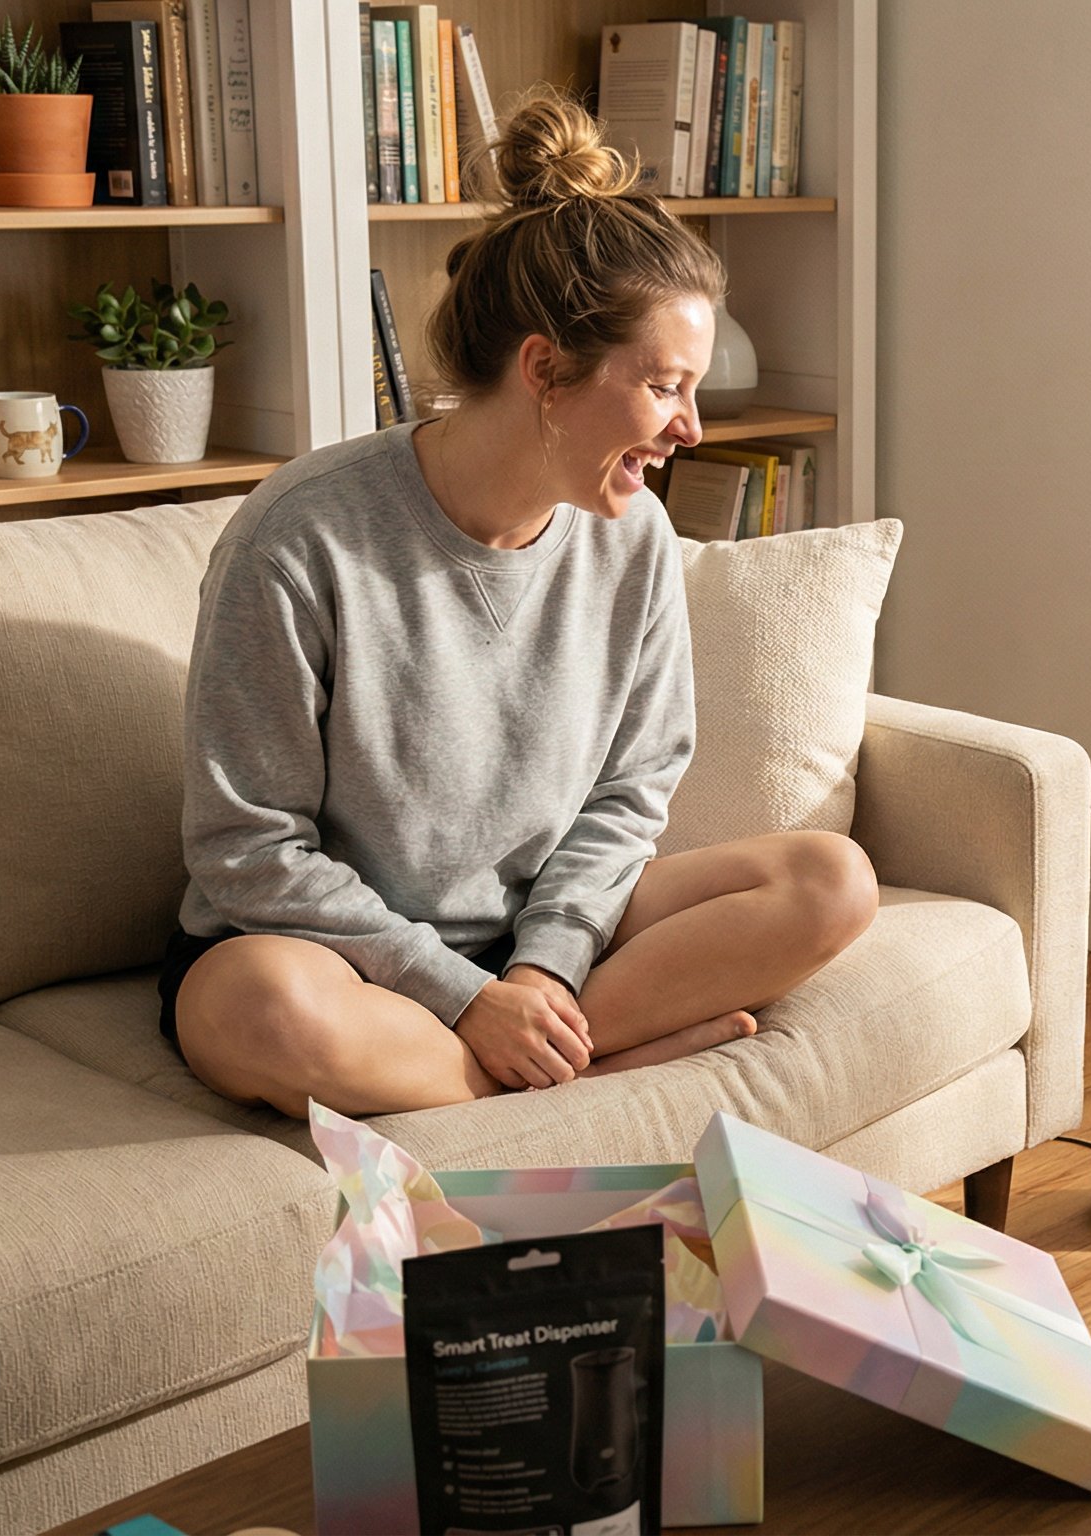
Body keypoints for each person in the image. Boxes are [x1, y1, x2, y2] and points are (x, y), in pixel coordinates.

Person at [155, 91, 876, 1118]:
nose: (692, 428)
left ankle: (523, 1059)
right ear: (545, 368)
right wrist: (459, 994)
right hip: (330, 957)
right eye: (666, 386)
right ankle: (581, 1067)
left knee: (829, 881)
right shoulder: (301, 537)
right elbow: (248, 851)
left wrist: (539, 971)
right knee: (260, 1011)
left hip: (538, 934)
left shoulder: (633, 540)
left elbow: (630, 794)